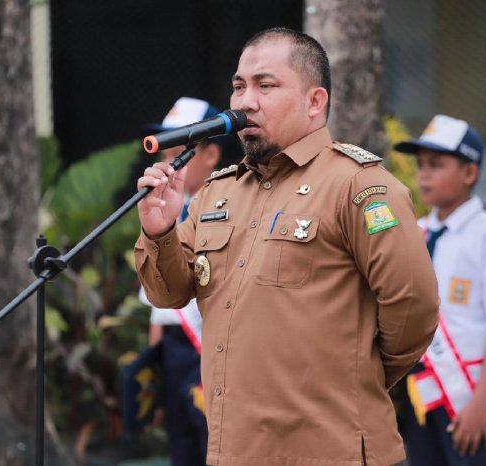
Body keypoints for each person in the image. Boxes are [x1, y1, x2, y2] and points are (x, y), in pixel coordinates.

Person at [134, 27, 439, 466]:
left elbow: (415, 305)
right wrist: (160, 231)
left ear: (315, 102)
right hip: (235, 452)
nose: (244, 101)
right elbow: (169, 293)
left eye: (266, 85)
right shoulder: (217, 194)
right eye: (239, 86)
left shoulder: (359, 186)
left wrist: (360, 374)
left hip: (331, 451)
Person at [393, 114, 486, 465]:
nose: (424, 174)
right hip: (422, 392)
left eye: (436, 165)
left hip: (474, 394)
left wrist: (481, 403)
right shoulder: (416, 233)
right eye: (421, 165)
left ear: (469, 173)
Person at [138, 97, 241, 466]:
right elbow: (157, 307)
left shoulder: (226, 207)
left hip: (208, 350)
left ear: (211, 154)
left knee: (211, 446)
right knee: (180, 449)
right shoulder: (163, 208)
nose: (167, 164)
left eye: (178, 153)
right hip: (174, 351)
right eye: (164, 154)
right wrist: (154, 369)